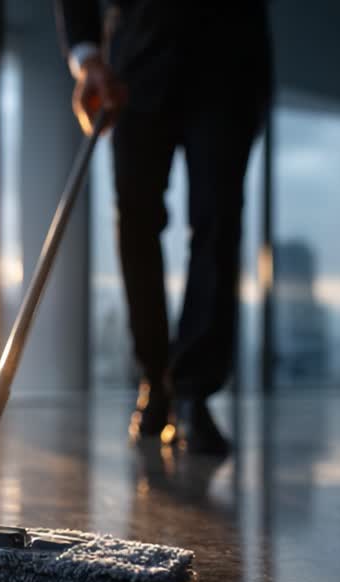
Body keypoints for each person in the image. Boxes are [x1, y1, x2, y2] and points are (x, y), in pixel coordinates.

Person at [56, 0, 272, 454]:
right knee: (136, 222)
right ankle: (155, 378)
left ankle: (192, 392)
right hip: (136, 65)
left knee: (217, 221)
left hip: (229, 63)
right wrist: (87, 58)